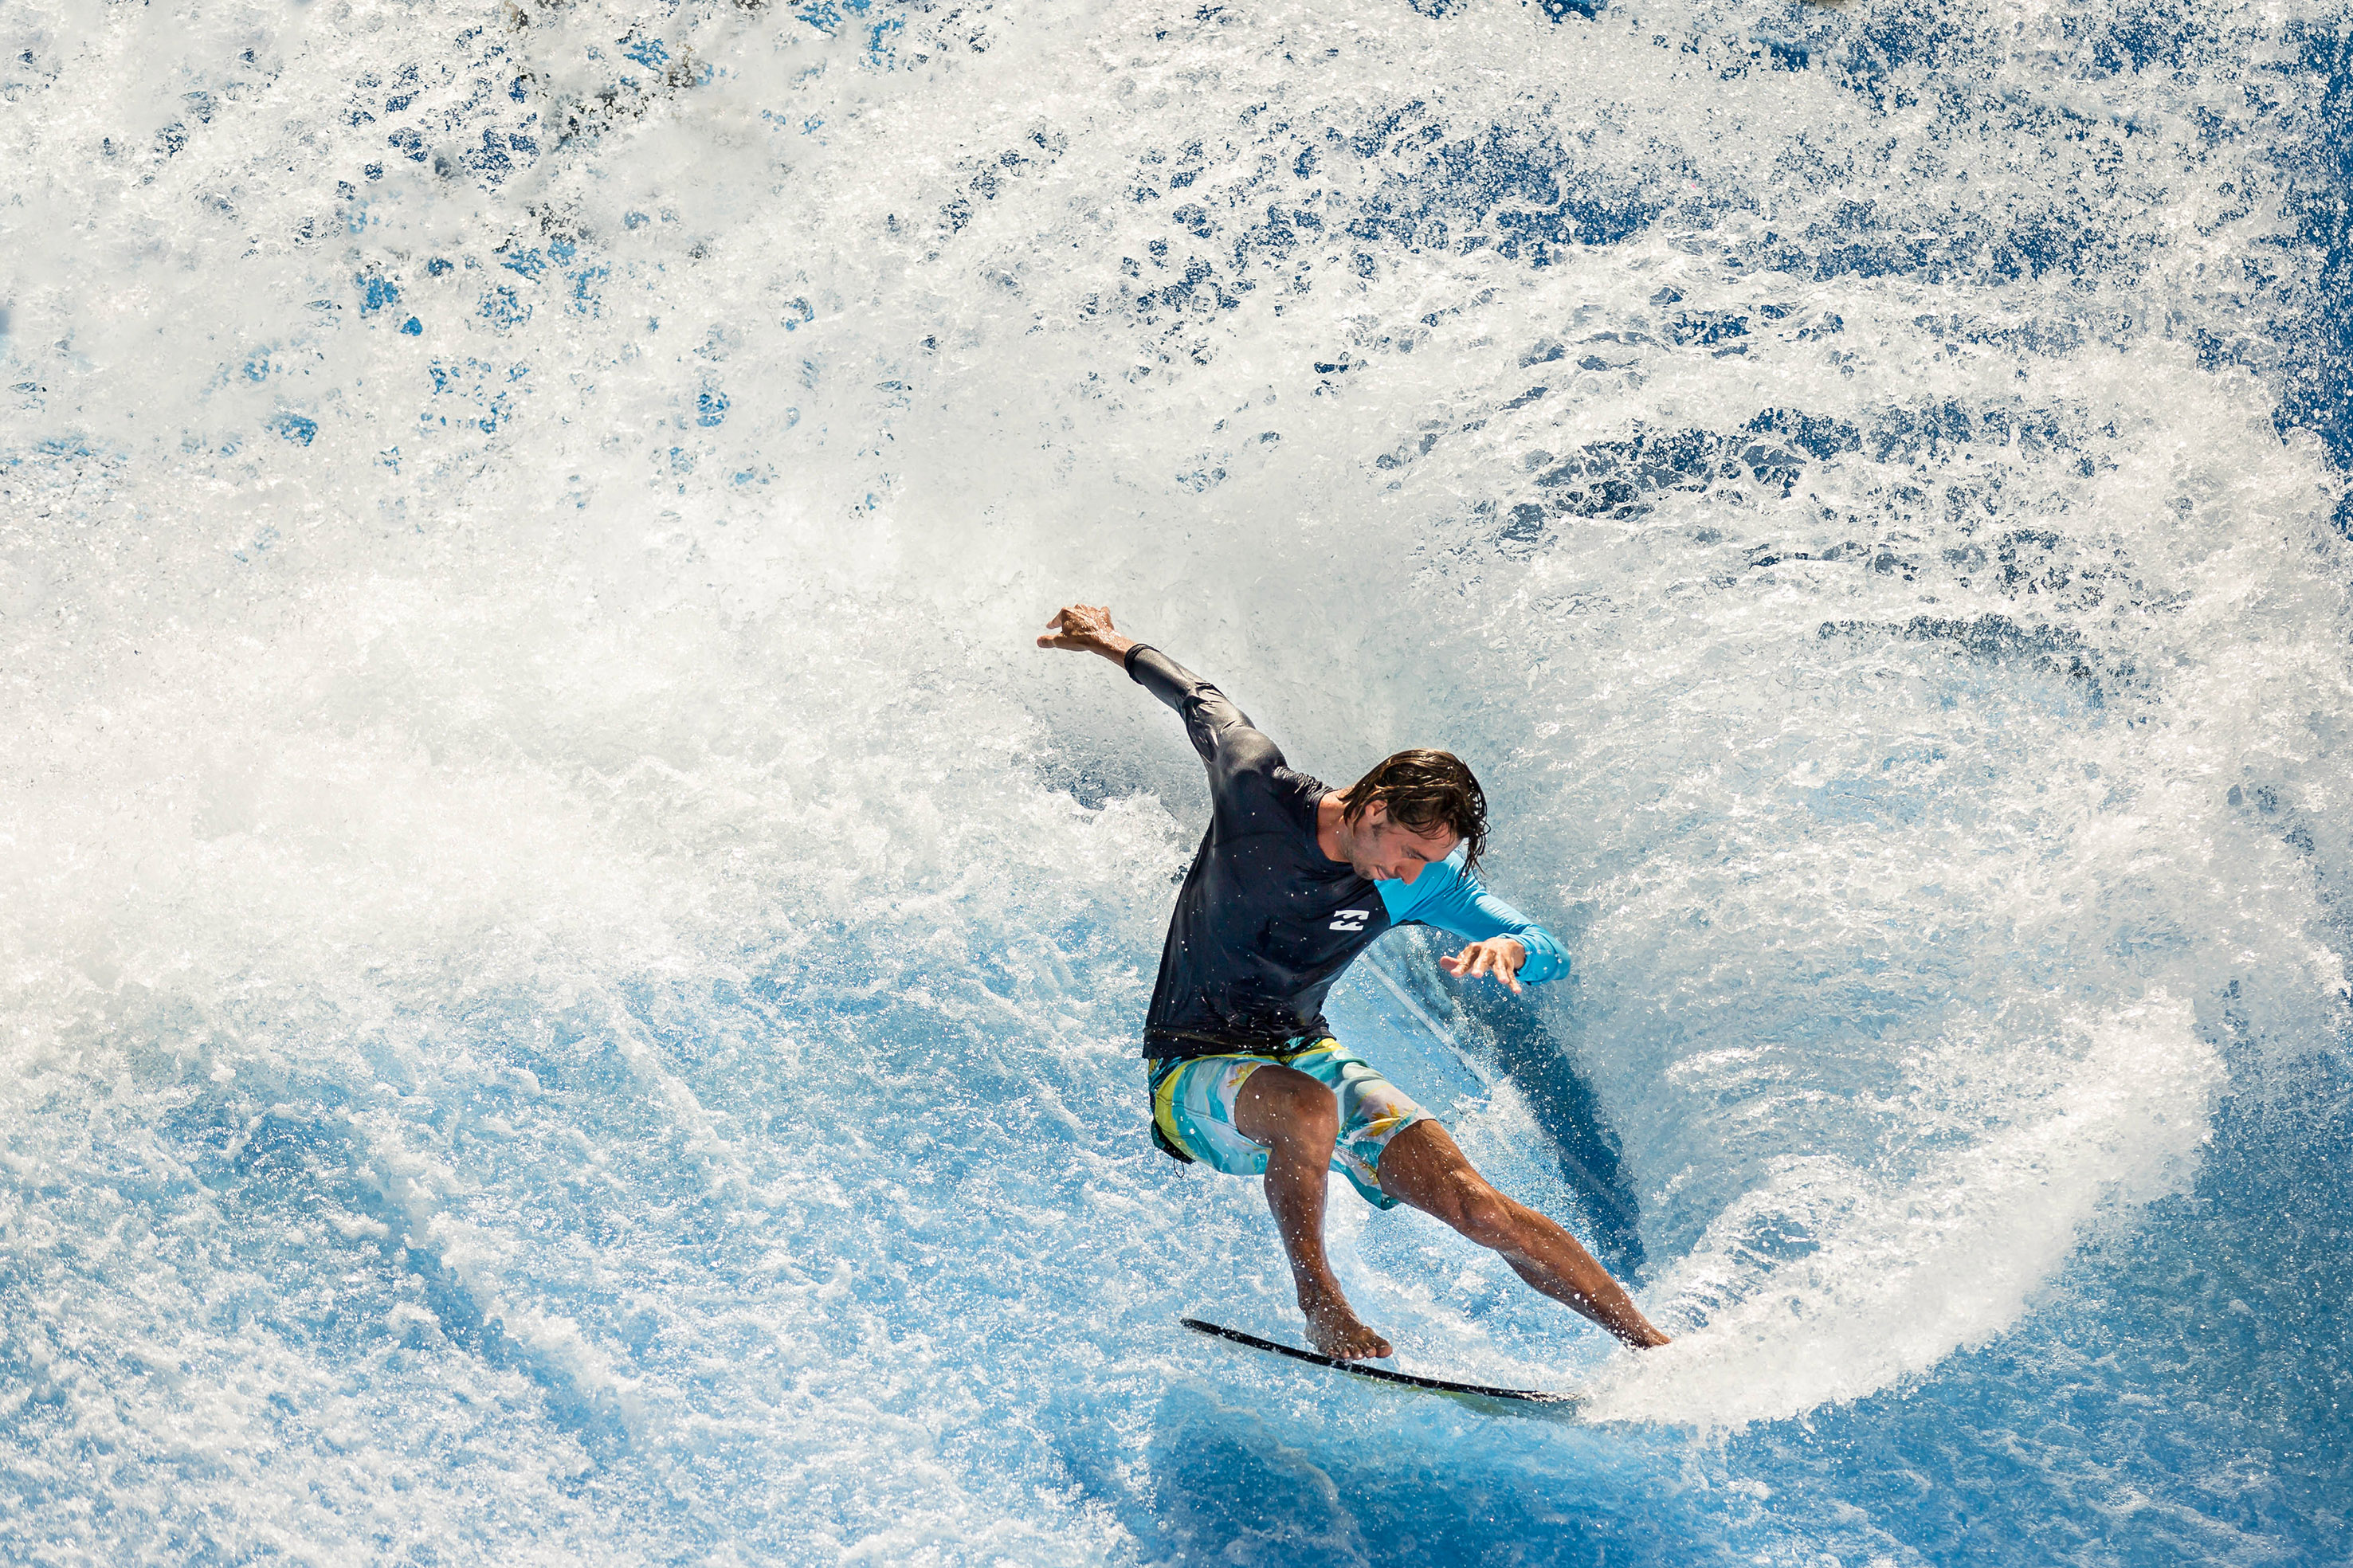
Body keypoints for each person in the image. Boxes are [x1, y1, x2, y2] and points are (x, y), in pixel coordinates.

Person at [1038, 604, 1668, 1359]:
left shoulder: (1417, 885)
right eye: (1404, 850)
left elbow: (1546, 947)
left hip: (1304, 1053)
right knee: (1304, 1109)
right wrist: (1106, 639)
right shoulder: (1257, 789)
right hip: (1191, 1066)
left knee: (1477, 1209)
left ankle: (1656, 1351)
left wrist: (1512, 951)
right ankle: (1322, 1308)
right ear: (1370, 806)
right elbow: (1198, 699)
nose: (1411, 874)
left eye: (1428, 861)